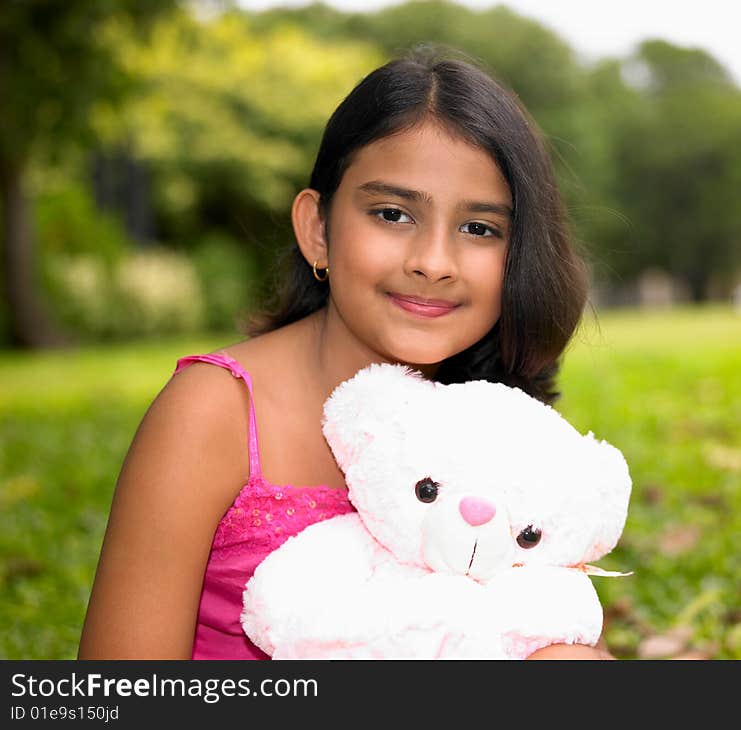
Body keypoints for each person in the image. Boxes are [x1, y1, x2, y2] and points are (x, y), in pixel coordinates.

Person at [77, 44, 611, 660]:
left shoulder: (493, 426)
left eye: (478, 229)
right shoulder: (214, 412)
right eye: (392, 213)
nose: (432, 263)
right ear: (319, 230)